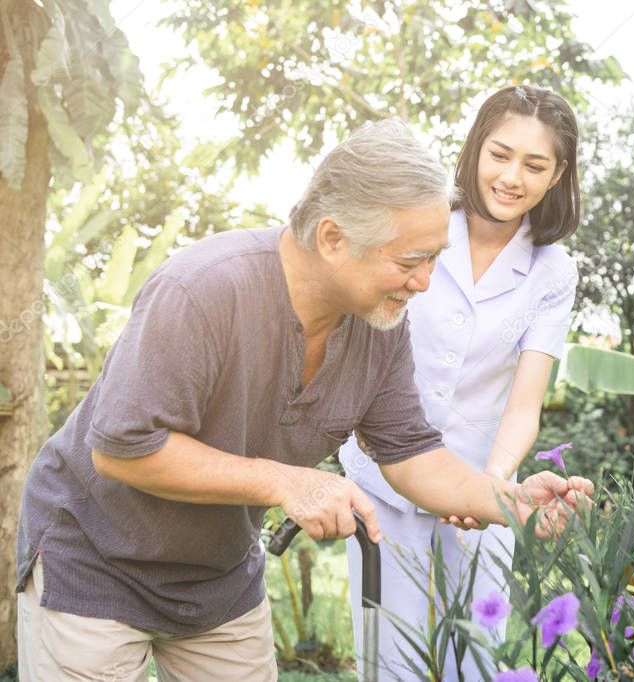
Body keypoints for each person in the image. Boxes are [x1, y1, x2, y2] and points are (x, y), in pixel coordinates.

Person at [14, 118, 592, 681]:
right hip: (98, 561)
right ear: (333, 238)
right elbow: (122, 450)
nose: (425, 282)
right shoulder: (203, 290)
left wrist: (516, 503)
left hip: (218, 577)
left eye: (435, 257)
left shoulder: (380, 326)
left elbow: (413, 454)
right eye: (411, 261)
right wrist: (287, 481)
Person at [341, 85, 581, 680]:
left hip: (481, 475)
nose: (511, 176)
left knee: (474, 655)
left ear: (557, 175)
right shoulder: (420, 225)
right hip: (381, 475)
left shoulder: (553, 271)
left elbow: (525, 403)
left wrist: (491, 487)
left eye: (534, 164)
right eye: (500, 154)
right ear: (475, 149)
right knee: (385, 655)